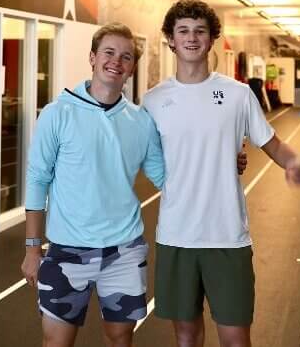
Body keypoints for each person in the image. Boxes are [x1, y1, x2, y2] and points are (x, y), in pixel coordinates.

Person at [22, 22, 246, 347]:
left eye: (126, 57)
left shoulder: (140, 120)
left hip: (124, 251)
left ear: (132, 68)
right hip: (66, 251)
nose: (116, 61)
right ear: (93, 57)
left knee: (121, 337)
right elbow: (36, 180)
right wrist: (32, 249)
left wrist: (223, 161)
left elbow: (167, 174)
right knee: (56, 342)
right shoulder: (58, 113)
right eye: (109, 53)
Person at [142, 0, 300, 347]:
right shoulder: (153, 100)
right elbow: (147, 159)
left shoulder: (237, 95)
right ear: (171, 39)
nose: (191, 38)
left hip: (227, 236)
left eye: (200, 31)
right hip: (177, 236)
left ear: (212, 38)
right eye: (183, 31)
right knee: (186, 336)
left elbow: (273, 144)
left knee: (235, 338)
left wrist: (295, 162)